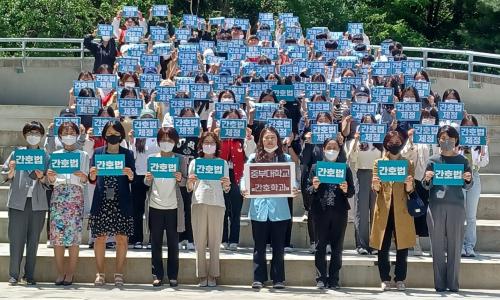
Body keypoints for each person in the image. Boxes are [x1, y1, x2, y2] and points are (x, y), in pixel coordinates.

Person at [241, 126, 299, 289]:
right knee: (259, 246)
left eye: (273, 137)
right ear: (261, 140)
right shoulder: (253, 157)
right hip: (259, 209)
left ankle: (278, 279)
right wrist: (243, 188)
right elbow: (245, 178)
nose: (269, 140)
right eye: (266, 138)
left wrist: (293, 188)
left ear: (278, 140)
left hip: (279, 210)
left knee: (278, 247)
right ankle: (258, 277)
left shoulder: (285, 158)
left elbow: (292, 179)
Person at [423, 125, 473, 292]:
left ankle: (453, 283)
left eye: (450, 139)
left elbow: (468, 185)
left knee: (455, 246)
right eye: (443, 139)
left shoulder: (463, 161)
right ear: (438, 140)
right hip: (436, 207)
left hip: (456, 206)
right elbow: (425, 185)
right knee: (437, 246)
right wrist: (427, 178)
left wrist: (467, 179)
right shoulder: (432, 160)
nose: (446, 142)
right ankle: (439, 284)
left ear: (456, 141)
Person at [88, 120, 135, 286]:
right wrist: (92, 174)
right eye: (109, 133)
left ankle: (119, 273)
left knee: (121, 238)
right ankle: (100, 273)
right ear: (104, 135)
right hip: (102, 200)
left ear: (121, 135)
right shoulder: (98, 153)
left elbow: (132, 178)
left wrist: (130, 175)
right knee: (99, 238)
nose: (112, 136)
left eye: (116, 133)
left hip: (121, 200)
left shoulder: (128, 154)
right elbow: (92, 179)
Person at [2, 121, 49, 285]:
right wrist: (11, 171)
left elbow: (50, 180)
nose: (33, 136)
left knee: (33, 240)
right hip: (18, 202)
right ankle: (14, 274)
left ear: (42, 136)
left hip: (37, 203)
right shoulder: (16, 154)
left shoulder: (45, 156)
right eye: (30, 133)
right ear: (25, 135)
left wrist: (42, 176)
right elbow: (4, 175)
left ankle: (29, 274)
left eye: (36, 133)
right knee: (16, 239)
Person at [306, 137, 355, 289]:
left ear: (339, 150)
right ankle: (320, 278)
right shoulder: (315, 168)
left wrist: (346, 189)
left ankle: (334, 278)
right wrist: (314, 186)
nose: (332, 150)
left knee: (337, 247)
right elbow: (307, 190)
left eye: (335, 147)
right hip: (320, 211)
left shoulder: (344, 168)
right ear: (323, 149)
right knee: (320, 246)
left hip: (339, 212)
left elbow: (352, 191)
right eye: (329, 147)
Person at [371, 130, 416, 291]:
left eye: (398, 141)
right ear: (386, 143)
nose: (395, 144)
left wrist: (409, 185)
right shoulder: (379, 163)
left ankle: (400, 278)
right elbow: (375, 187)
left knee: (402, 246)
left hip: (402, 209)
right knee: (382, 245)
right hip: (384, 208)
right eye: (392, 141)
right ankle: (384, 278)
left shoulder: (408, 164)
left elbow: (411, 190)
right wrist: (375, 184)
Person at [46, 122, 89, 285]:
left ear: (78, 135)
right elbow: (51, 179)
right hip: (58, 196)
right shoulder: (55, 155)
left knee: (73, 237)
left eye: (72, 131)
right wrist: (50, 176)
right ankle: (60, 272)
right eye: (65, 132)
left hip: (75, 196)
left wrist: (83, 176)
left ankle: (70, 273)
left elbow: (86, 180)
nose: (69, 134)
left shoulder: (83, 155)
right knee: (57, 237)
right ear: (60, 136)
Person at [144, 127, 188, 287]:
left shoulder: (180, 159)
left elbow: (185, 182)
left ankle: (173, 275)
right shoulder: (152, 158)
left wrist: (180, 178)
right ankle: (157, 274)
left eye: (169, 140)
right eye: (163, 139)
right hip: (155, 205)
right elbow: (147, 183)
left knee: (173, 243)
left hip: (173, 206)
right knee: (155, 243)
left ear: (175, 142)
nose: (166, 143)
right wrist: (147, 179)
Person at [187, 132, 230, 287]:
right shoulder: (195, 163)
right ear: (201, 145)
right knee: (199, 241)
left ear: (217, 145)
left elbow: (226, 188)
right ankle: (201, 274)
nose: (209, 145)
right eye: (206, 142)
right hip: (198, 202)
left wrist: (226, 184)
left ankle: (213, 275)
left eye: (212, 142)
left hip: (217, 203)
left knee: (215, 241)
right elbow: (189, 187)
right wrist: (190, 181)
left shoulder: (222, 163)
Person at [216, 109, 256, 251]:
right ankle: (223, 238)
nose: (232, 122)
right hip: (221, 176)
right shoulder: (218, 136)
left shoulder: (243, 139)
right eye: (229, 119)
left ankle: (234, 240)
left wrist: (249, 138)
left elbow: (251, 154)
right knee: (222, 209)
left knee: (236, 210)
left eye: (236, 119)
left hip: (238, 177)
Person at [347, 114, 383, 255]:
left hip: (377, 176)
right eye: (365, 123)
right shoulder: (357, 141)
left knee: (376, 211)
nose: (369, 126)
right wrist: (356, 141)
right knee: (361, 212)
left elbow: (384, 158)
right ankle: (361, 244)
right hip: (361, 174)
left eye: (371, 123)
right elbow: (351, 158)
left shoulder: (380, 142)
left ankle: (375, 244)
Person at [128, 108, 160, 249]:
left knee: (153, 209)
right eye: (144, 118)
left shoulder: (158, 136)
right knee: (137, 209)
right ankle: (137, 238)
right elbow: (133, 155)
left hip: (154, 175)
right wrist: (131, 140)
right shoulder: (136, 137)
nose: (147, 121)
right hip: (138, 175)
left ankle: (154, 238)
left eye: (150, 118)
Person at [459, 115, 489, 257]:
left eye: (472, 126)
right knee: (459, 214)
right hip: (458, 179)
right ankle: (458, 245)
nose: (469, 129)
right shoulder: (457, 142)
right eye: (466, 126)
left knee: (471, 216)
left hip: (474, 177)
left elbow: (482, 163)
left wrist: (483, 148)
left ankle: (469, 245)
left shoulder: (480, 143)